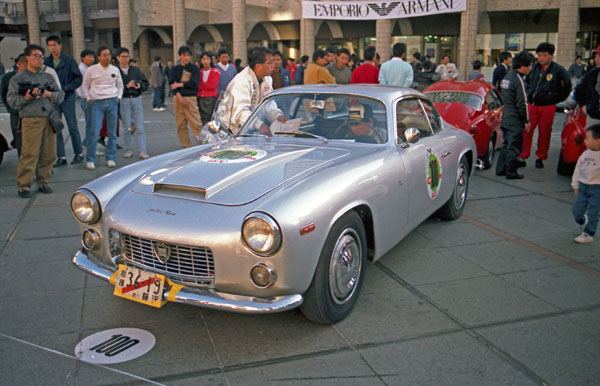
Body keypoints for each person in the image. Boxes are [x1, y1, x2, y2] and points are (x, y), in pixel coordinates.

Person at [7, 44, 64, 197]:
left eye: (41, 56)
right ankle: (24, 185)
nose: (39, 59)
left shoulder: (48, 77)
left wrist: (48, 94)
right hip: (31, 118)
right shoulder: (18, 79)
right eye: (36, 56)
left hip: (48, 118)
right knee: (29, 153)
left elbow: (60, 95)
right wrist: (26, 97)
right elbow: (11, 101)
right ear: (27, 58)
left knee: (49, 153)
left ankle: (44, 181)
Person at [518, 42, 571, 169]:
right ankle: (522, 156)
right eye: (540, 55)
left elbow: (567, 85)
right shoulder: (533, 68)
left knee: (545, 133)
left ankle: (540, 157)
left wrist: (556, 98)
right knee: (527, 130)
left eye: (545, 55)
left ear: (551, 55)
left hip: (548, 106)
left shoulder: (558, 70)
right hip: (532, 104)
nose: (542, 58)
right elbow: (524, 82)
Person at [220, 46, 285, 135]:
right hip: (232, 131)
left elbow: (268, 103)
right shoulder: (241, 81)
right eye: (270, 63)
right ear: (258, 66)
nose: (273, 65)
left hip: (251, 131)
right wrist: (259, 125)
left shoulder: (267, 79)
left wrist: (277, 115)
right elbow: (240, 113)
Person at [80, 45, 123, 170]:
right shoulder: (92, 70)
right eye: (104, 55)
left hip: (112, 102)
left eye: (109, 55)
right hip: (96, 103)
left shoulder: (115, 69)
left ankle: (110, 157)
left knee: (112, 132)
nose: (107, 57)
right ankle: (90, 158)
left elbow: (120, 85)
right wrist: (88, 97)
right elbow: (85, 85)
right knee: (94, 131)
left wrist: (118, 97)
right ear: (99, 57)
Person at [44, 35, 83, 167]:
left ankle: (79, 153)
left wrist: (66, 88)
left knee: (72, 126)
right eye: (50, 45)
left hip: (68, 96)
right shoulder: (46, 63)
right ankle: (61, 156)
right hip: (53, 98)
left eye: (55, 45)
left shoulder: (69, 60)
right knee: (56, 127)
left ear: (60, 45)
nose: (53, 48)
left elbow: (78, 79)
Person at [495, 51, 535, 180]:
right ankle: (511, 172)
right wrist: (526, 120)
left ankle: (500, 169)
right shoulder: (518, 80)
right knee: (514, 146)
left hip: (506, 115)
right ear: (523, 65)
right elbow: (522, 103)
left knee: (506, 144)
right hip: (515, 119)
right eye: (530, 65)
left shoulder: (507, 77)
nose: (531, 68)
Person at [116, 47, 150, 160]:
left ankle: (143, 150)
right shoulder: (116, 71)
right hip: (124, 100)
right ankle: (128, 149)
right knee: (127, 127)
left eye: (127, 56)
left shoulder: (135, 70)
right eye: (123, 57)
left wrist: (139, 85)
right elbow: (114, 87)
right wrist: (126, 87)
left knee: (140, 126)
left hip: (136, 98)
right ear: (118, 58)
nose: (126, 59)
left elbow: (145, 82)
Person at [571, 123, 600, 243]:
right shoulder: (584, 154)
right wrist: (575, 185)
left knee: (594, 212)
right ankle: (582, 221)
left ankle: (589, 233)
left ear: (598, 141)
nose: (585, 141)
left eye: (588, 138)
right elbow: (577, 170)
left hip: (597, 189)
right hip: (583, 187)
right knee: (576, 210)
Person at [170, 45, 203, 148]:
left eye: (188, 55)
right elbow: (172, 85)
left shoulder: (194, 68)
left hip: (191, 98)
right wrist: (180, 97)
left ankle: (202, 145)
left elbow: (194, 83)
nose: (186, 58)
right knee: (181, 125)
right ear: (180, 56)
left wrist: (179, 84)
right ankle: (186, 146)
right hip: (178, 98)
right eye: (184, 55)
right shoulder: (174, 69)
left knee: (196, 124)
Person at [1, 54, 27, 156]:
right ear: (19, 64)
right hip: (16, 114)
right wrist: (10, 108)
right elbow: (3, 95)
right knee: (19, 143)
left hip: (30, 113)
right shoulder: (7, 78)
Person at [574, 45, 600, 127]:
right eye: (595, 56)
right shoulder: (592, 74)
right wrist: (584, 105)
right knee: (592, 138)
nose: (596, 59)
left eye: (599, 56)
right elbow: (578, 90)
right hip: (594, 116)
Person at [76, 49, 95, 154]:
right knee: (91, 124)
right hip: (87, 99)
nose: (91, 59)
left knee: (93, 124)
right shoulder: (82, 69)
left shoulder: (89, 68)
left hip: (92, 99)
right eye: (89, 56)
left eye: (92, 56)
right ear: (83, 58)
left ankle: (86, 144)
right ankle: (88, 146)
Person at [196, 52, 220, 124]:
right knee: (201, 119)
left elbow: (213, 85)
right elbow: (196, 85)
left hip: (211, 98)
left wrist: (202, 84)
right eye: (204, 59)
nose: (206, 61)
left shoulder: (216, 72)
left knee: (209, 119)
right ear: (201, 61)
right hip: (200, 97)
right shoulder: (198, 72)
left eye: (207, 59)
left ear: (210, 60)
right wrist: (205, 85)